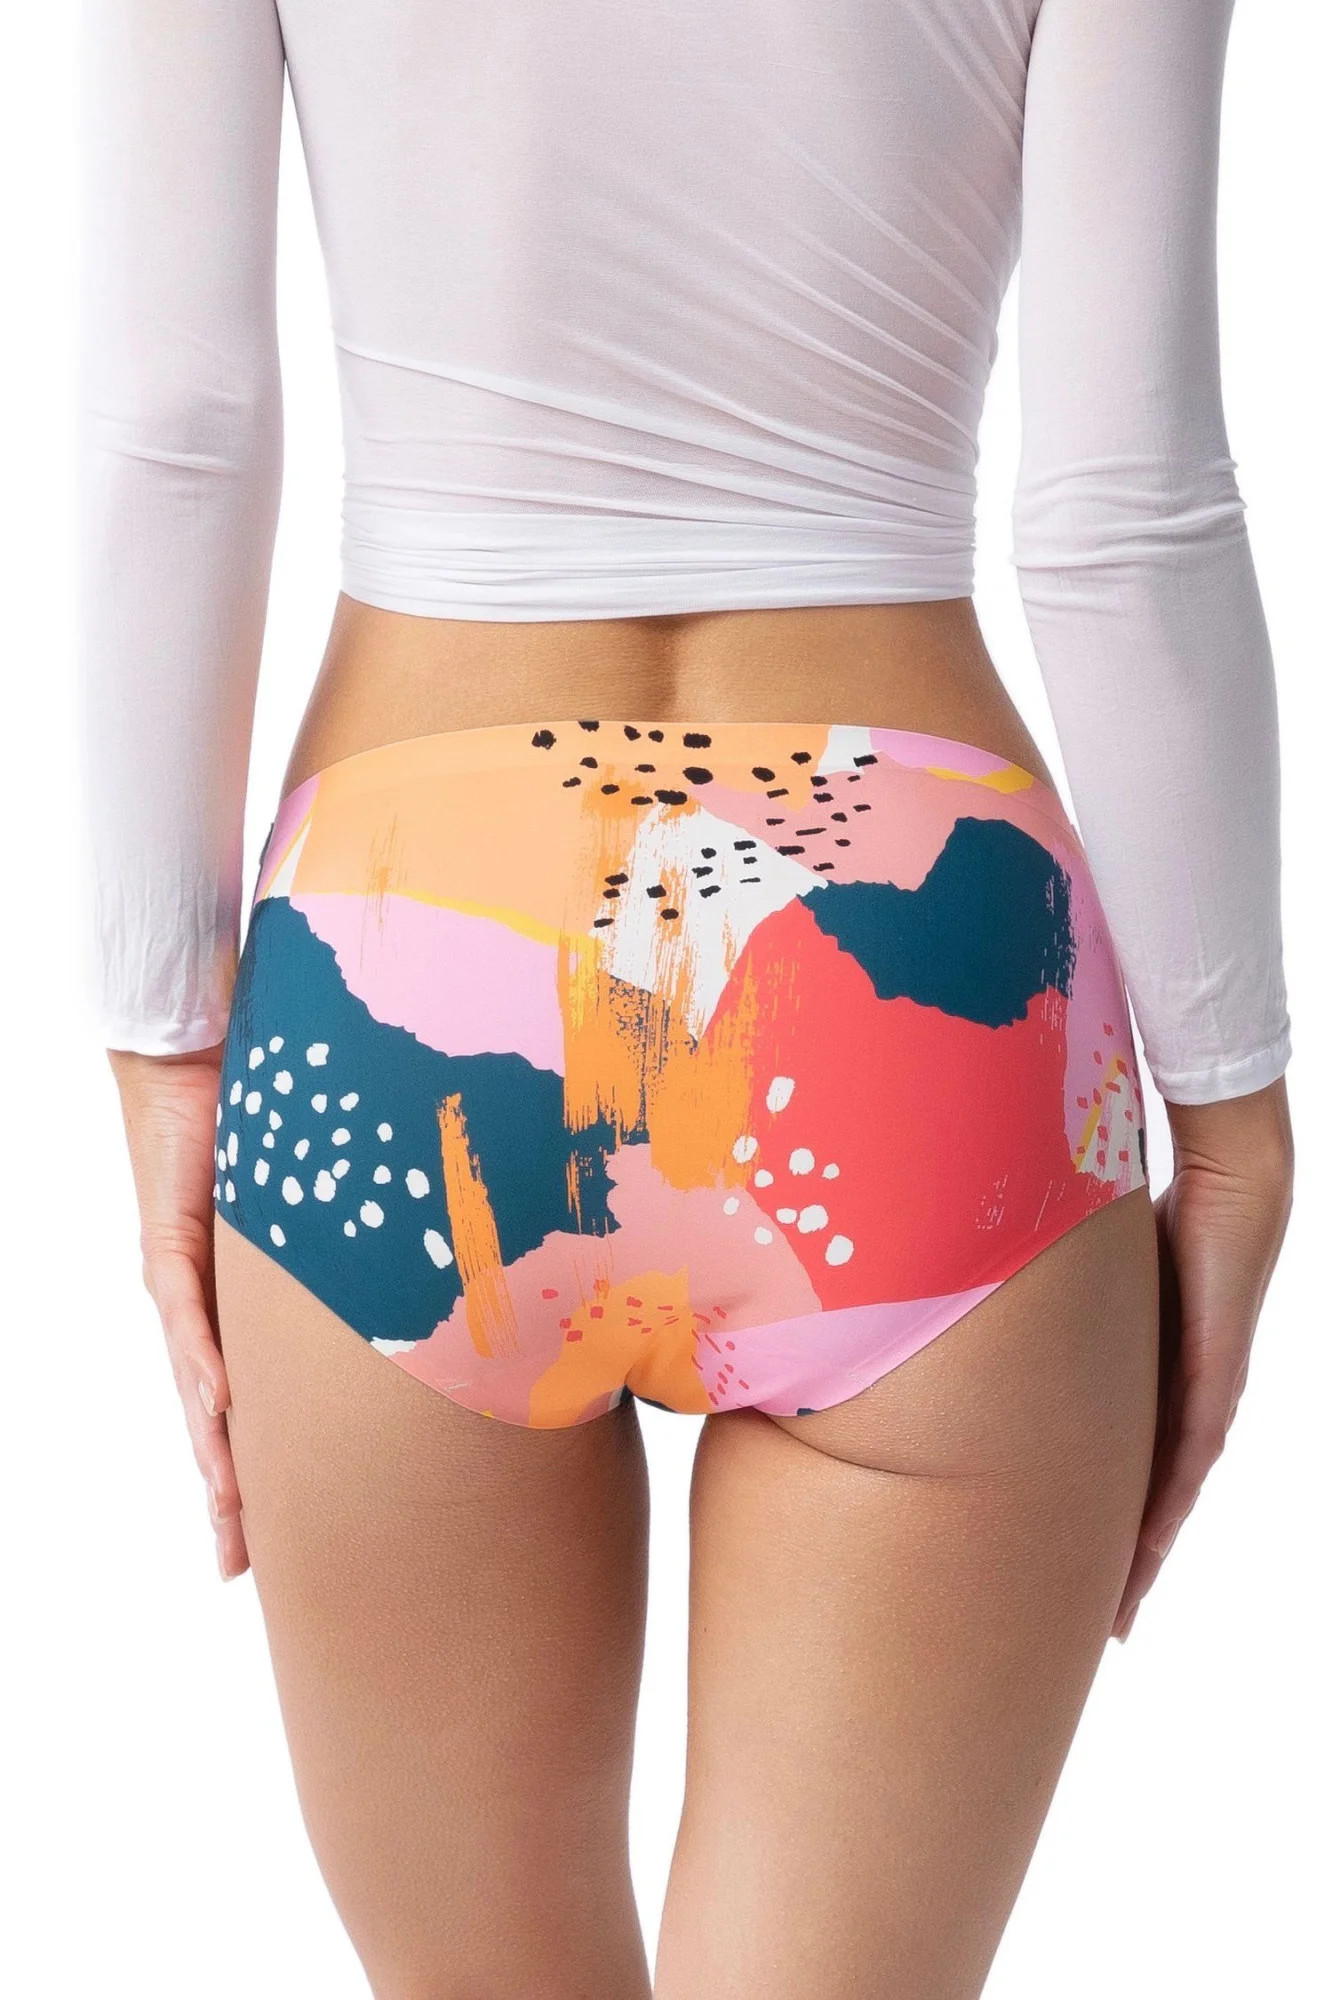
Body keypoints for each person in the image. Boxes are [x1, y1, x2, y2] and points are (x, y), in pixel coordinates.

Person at [79, 0, 1294, 1992]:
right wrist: (1230, 1114)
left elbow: (176, 422)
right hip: (914, 982)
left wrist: (163, 1040)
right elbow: (1122, 503)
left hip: (409, 941)